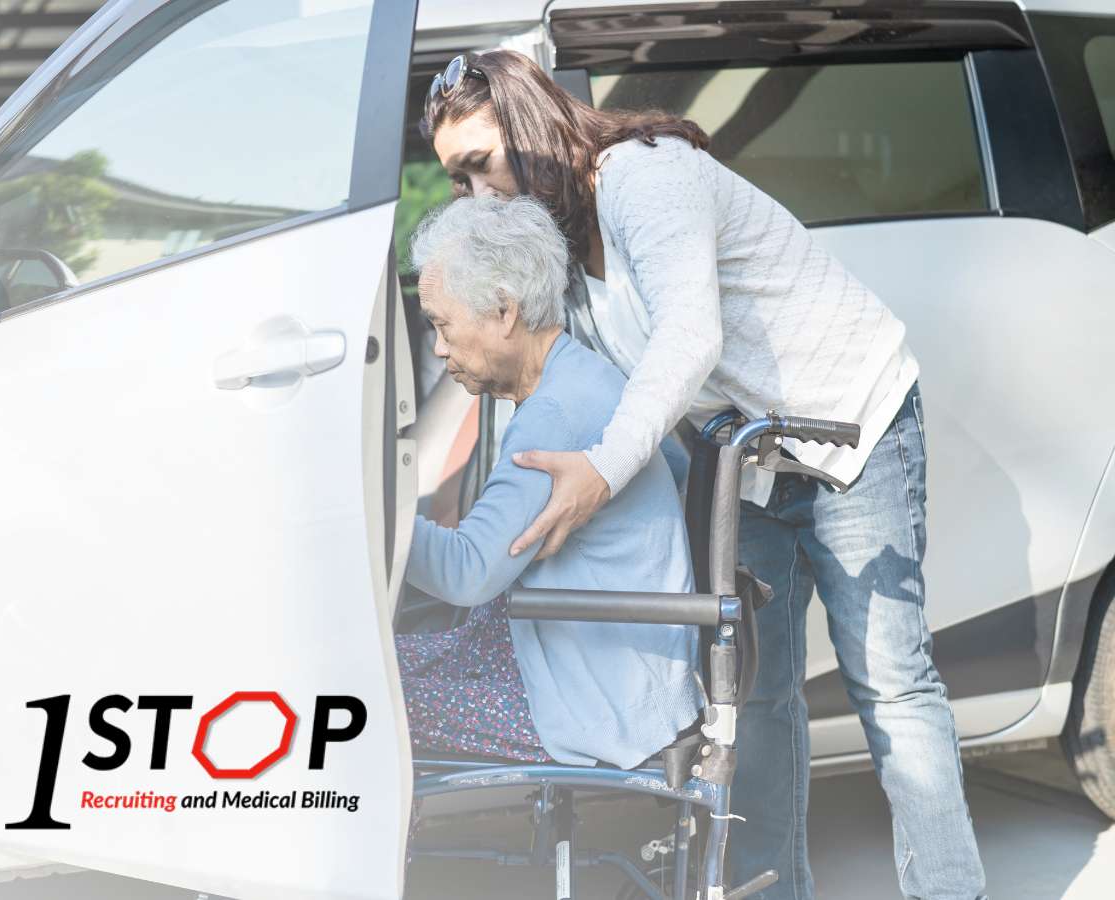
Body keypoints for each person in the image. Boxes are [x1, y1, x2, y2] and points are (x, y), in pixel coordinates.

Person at [420, 50, 985, 900]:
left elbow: (690, 339)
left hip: (851, 429)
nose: (475, 193)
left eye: (478, 165)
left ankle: (952, 892)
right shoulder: (562, 253)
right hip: (748, 454)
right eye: (456, 182)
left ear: (529, 129)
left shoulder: (646, 177)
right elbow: (613, 393)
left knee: (893, 686)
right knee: (757, 702)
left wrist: (602, 476)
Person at [400, 193, 703, 772]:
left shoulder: (556, 414)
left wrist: (367, 521)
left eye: (443, 325)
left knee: (356, 702)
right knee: (374, 664)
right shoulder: (583, 373)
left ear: (504, 311)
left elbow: (466, 571)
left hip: (589, 703)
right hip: (608, 674)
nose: (439, 349)